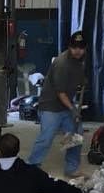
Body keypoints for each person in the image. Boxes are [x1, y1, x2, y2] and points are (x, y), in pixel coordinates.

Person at [27, 30, 88, 175]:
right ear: (69, 46)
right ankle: (31, 167)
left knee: (76, 135)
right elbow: (60, 93)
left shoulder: (80, 60)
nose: (77, 50)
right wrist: (73, 110)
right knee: (46, 138)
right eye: (74, 47)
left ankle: (71, 168)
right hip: (51, 106)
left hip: (66, 104)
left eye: (80, 47)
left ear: (85, 48)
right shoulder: (62, 63)